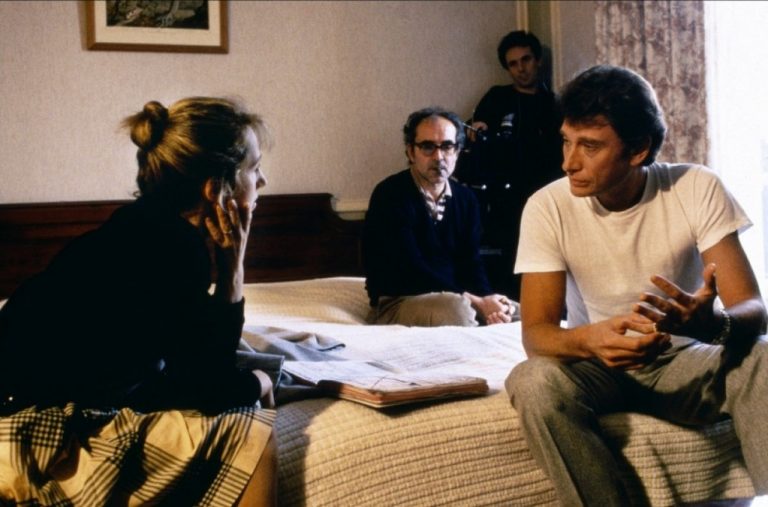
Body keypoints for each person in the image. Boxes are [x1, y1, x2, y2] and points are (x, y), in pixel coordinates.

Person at [505, 64, 768, 505]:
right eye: (566, 141)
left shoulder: (695, 186)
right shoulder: (546, 206)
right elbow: (536, 335)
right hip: (599, 368)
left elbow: (754, 310)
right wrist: (592, 339)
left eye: (590, 146)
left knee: (763, 358)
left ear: (638, 149)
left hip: (683, 360)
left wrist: (712, 324)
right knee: (532, 381)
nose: (569, 162)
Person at [0, 97, 277, 506]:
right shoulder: (176, 250)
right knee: (254, 437)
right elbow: (208, 387)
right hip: (34, 422)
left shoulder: (140, 225)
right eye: (254, 168)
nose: (263, 180)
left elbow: (185, 349)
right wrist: (233, 271)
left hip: (32, 392)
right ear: (214, 189)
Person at [362, 106, 515, 327]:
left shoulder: (466, 199)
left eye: (447, 146)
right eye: (427, 147)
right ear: (410, 152)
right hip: (400, 300)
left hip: (456, 297)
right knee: (458, 310)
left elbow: (472, 262)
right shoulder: (390, 195)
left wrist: (488, 300)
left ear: (458, 151)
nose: (438, 156)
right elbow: (410, 269)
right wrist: (475, 302)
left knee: (517, 311)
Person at [459, 30, 563, 301]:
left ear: (538, 60)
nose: (521, 69)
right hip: (504, 200)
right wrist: (477, 127)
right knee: (507, 264)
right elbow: (476, 130)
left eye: (526, 60)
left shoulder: (554, 104)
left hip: (544, 194)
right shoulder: (497, 97)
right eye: (513, 64)